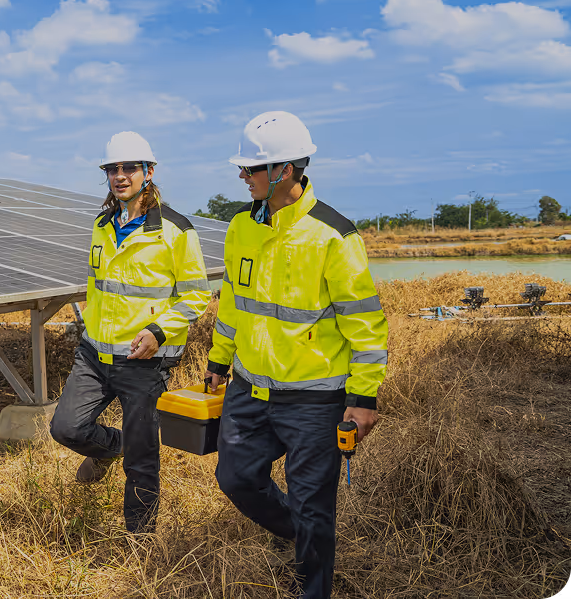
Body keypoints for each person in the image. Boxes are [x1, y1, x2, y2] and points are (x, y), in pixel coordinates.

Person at [203, 111, 388, 599]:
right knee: (235, 478)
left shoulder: (335, 236)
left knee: (313, 505)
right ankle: (306, 537)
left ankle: (313, 578)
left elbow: (365, 323)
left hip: (315, 398)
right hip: (250, 387)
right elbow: (233, 306)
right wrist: (219, 362)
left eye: (250, 169)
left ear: (284, 171)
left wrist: (363, 396)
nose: (242, 176)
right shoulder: (241, 227)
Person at [50, 131, 212, 533]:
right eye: (113, 169)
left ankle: (139, 542)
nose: (120, 176)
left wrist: (158, 331)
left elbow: (196, 296)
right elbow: (97, 286)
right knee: (66, 428)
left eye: (129, 168)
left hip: (143, 361)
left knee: (143, 459)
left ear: (149, 172)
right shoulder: (102, 225)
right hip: (94, 354)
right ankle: (110, 449)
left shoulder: (176, 230)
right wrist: (89, 326)